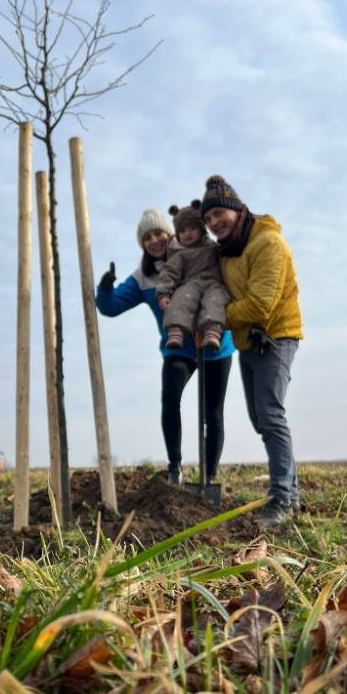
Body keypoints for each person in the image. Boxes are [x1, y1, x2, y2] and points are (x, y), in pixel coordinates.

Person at [96, 207, 235, 486]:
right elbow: (111, 307)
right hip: (178, 346)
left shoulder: (200, 254)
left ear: (171, 234)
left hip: (214, 344)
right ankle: (175, 468)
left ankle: (209, 477)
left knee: (213, 412)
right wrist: (105, 289)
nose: (154, 241)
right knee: (170, 400)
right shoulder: (144, 278)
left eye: (159, 233)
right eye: (147, 238)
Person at [200, 174, 303, 527]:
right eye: (208, 218)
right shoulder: (228, 251)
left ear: (237, 208)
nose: (214, 223)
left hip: (276, 336)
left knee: (270, 415)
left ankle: (281, 500)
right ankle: (292, 494)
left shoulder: (268, 243)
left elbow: (260, 305)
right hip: (249, 340)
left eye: (219, 214)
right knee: (261, 419)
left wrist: (213, 319)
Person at [156, 202, 229, 350]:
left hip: (214, 283)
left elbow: (227, 260)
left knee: (216, 299)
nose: (187, 233)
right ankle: (175, 331)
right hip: (191, 284)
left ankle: (213, 332)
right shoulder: (179, 254)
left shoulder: (213, 248)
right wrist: (163, 293)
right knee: (180, 298)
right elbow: (169, 272)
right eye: (182, 231)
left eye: (192, 228)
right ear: (177, 234)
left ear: (202, 229)